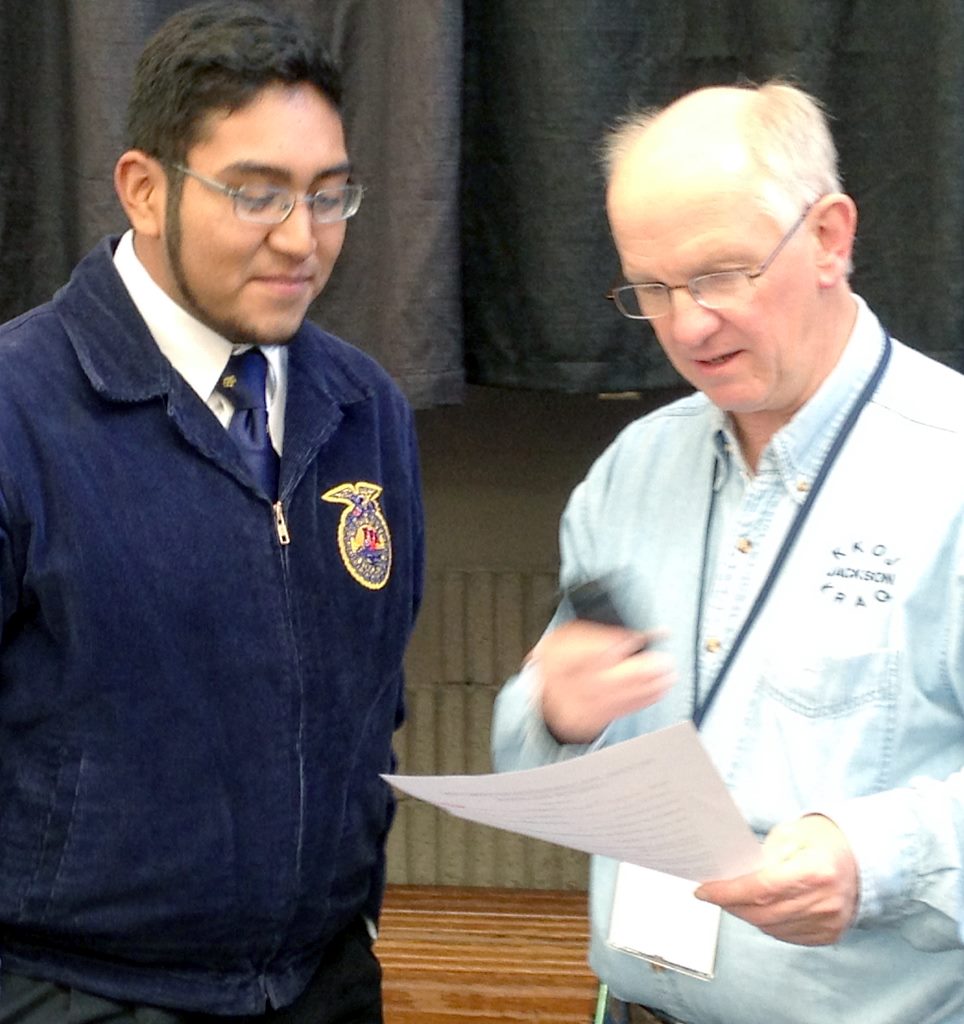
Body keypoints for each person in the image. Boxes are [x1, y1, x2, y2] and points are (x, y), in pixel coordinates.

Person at [492, 80, 964, 1023]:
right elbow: (528, 755)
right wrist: (556, 714)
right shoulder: (630, 475)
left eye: (720, 276)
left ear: (830, 236)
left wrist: (874, 859)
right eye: (653, 290)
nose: (687, 325)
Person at [0, 3, 423, 1021]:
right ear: (145, 190)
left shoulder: (366, 410)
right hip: (78, 991)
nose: (301, 240)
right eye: (255, 194)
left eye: (329, 197)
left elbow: (372, 698)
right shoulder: (18, 409)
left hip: (324, 981)